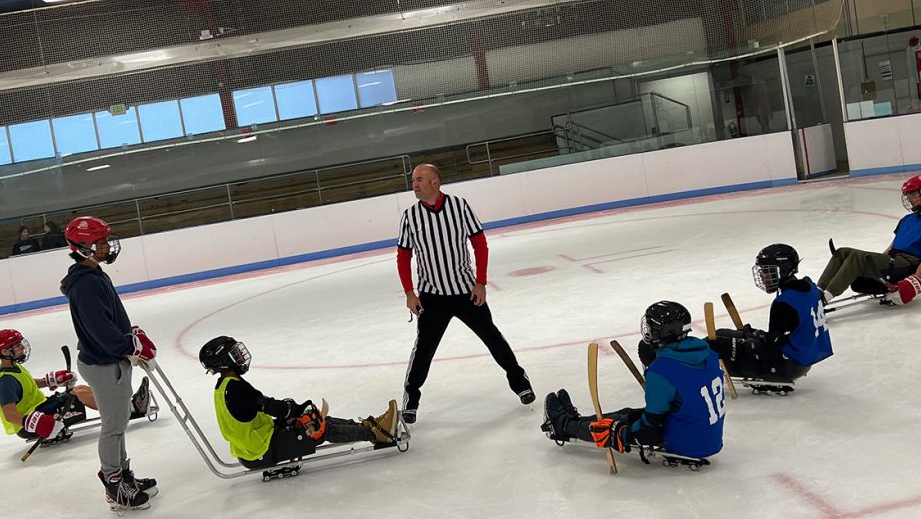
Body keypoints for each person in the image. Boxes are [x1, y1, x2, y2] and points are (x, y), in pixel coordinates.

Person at [397, 163, 533, 423]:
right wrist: (409, 292)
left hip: (466, 293)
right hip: (432, 298)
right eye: (413, 180)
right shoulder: (410, 216)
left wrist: (480, 281)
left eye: (420, 179)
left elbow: (479, 243)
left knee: (493, 338)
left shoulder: (459, 206)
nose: (414, 184)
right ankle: (411, 401)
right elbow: (403, 256)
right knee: (423, 351)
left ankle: (520, 383)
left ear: (435, 182)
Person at [543, 301, 725, 461]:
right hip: (706, 435)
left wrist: (620, 433)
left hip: (685, 442)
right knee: (628, 414)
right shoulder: (709, 353)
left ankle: (564, 425)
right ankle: (577, 421)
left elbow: (648, 429)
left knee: (610, 428)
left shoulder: (661, 371)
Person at [60, 215, 158, 512]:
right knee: (113, 426)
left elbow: (109, 317)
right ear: (84, 245)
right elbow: (99, 328)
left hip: (110, 359)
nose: (107, 246)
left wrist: (130, 336)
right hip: (104, 363)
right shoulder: (86, 283)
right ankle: (114, 484)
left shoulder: (94, 274)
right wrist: (129, 346)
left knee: (119, 422)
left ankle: (123, 474)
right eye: (101, 242)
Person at [199, 336, 399, 468]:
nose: (241, 356)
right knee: (319, 428)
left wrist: (291, 414)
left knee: (319, 420)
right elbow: (270, 406)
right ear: (224, 361)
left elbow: (258, 409)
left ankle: (368, 427)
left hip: (253, 445)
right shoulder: (236, 388)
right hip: (261, 450)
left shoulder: (224, 385)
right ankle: (376, 434)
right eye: (235, 354)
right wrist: (295, 410)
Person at [707, 244, 832, 390]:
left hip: (787, 366)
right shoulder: (809, 287)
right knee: (722, 334)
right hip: (803, 359)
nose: (762, 276)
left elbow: (771, 346)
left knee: (718, 344)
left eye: (767, 271)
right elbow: (784, 332)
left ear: (783, 270)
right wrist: (750, 334)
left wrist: (737, 344)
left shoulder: (785, 302)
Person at [0, 328, 151, 441]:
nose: (22, 348)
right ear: (5, 352)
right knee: (79, 394)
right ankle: (131, 409)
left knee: (79, 389)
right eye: (17, 346)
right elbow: (9, 414)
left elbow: (26, 385)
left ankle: (125, 406)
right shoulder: (5, 381)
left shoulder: (12, 369)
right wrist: (38, 424)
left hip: (40, 409)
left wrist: (50, 381)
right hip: (32, 422)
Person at [818, 175, 921, 304]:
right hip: (894, 261)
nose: (910, 199)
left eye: (913, 194)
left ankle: (825, 298)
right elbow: (892, 247)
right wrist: (876, 267)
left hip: (909, 265)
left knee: (856, 257)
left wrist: (915, 281)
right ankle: (818, 291)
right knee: (842, 252)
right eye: (908, 195)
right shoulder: (907, 219)